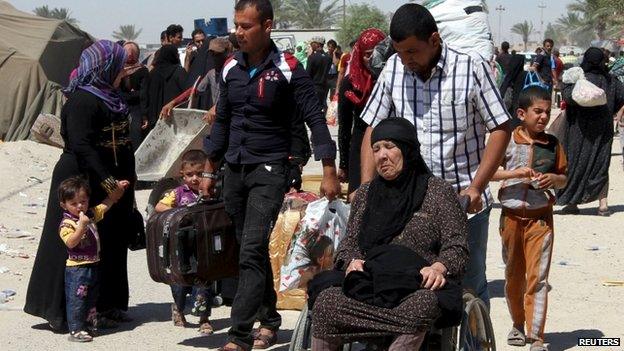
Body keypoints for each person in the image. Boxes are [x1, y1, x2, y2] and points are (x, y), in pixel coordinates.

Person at [200, 0, 341, 349]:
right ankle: (271, 318)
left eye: (246, 26)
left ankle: (239, 335)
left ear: (267, 26)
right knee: (251, 249)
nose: (238, 32)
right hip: (234, 169)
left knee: (250, 248)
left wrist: (328, 170)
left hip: (271, 169)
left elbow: (315, 120)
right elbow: (223, 123)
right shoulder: (231, 66)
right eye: (236, 25)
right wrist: (208, 167)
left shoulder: (290, 68)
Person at [359, 3, 511, 306]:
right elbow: (372, 128)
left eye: (412, 52)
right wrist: (366, 188)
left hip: (463, 201)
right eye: (400, 52)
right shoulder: (393, 70)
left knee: (468, 285)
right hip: (407, 206)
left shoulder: (471, 68)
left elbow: (500, 127)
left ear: (434, 40)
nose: (406, 60)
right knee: (409, 283)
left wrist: (477, 186)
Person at [312, 117, 468, 350]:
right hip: (370, 283)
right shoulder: (366, 194)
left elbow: (457, 246)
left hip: (414, 286)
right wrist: (351, 261)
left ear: (407, 150)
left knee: (423, 304)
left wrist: (439, 267)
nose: (382, 156)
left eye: (389, 147)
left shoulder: (437, 191)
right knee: (326, 303)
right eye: (376, 149)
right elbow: (349, 243)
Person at [25, 40, 136, 330]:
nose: (123, 70)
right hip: (79, 180)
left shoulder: (112, 96)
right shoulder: (82, 100)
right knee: (71, 240)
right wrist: (109, 181)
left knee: (108, 242)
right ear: (105, 66)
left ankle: (106, 305)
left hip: (105, 180)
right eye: (118, 64)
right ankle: (62, 311)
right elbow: (82, 146)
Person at [491, 86, 567, 351]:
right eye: (538, 111)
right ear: (522, 113)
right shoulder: (507, 141)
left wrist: (553, 180)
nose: (544, 117)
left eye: (547, 112)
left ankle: (536, 337)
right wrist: (516, 175)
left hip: (540, 221)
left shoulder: (553, 144)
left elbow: (563, 177)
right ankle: (517, 325)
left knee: (538, 278)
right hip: (511, 219)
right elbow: (489, 172)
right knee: (514, 276)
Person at [58, 176, 128, 342]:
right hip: (77, 268)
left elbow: (104, 207)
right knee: (77, 299)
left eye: (83, 201)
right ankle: (76, 329)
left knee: (91, 297)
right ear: (64, 205)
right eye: (73, 204)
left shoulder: (89, 214)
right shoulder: (67, 223)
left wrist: (115, 193)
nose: (79, 206)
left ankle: (89, 323)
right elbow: (71, 242)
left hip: (93, 264)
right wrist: (81, 227)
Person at [556, 47, 624, 216]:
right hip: (603, 130)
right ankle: (603, 205)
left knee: (575, 164)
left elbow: (567, 97)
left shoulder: (579, 78)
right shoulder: (612, 81)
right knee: (601, 165)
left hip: (577, 130)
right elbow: (620, 99)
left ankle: (572, 204)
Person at [154, 150, 215, 335]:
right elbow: (159, 207)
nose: (195, 179)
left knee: (204, 281)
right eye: (190, 175)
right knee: (179, 281)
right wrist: (180, 212)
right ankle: (178, 308)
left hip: (202, 247)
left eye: (199, 174)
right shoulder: (178, 193)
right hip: (181, 248)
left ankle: (204, 318)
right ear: (182, 174)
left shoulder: (209, 191)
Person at [337, 28, 386, 195]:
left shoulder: (394, 80)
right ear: (359, 55)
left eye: (377, 53)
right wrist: (344, 164)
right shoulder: (350, 84)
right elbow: (344, 126)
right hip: (359, 149)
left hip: (389, 147)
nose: (373, 59)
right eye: (367, 54)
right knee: (359, 200)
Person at [142, 44, 188, 131]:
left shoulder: (152, 73)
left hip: (155, 119)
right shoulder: (179, 72)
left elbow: (145, 96)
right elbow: (187, 93)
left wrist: (145, 115)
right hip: (175, 119)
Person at [120, 41, 150, 151]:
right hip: (136, 111)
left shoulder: (118, 71)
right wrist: (145, 115)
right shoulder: (143, 71)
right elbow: (143, 94)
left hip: (121, 110)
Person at [307, 36, 332, 112]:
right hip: (324, 86)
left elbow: (308, 73)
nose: (311, 45)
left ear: (317, 44)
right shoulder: (328, 58)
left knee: (315, 108)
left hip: (314, 85)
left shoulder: (312, 57)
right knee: (323, 105)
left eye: (312, 43)